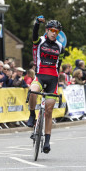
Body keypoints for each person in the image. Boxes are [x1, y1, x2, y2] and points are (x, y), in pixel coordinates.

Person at [27, 15, 64, 153]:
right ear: (47, 30)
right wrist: (36, 23)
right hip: (40, 76)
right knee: (33, 91)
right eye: (52, 30)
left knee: (48, 111)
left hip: (53, 79)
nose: (54, 33)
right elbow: (34, 35)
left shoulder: (60, 47)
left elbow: (59, 64)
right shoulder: (40, 41)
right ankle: (32, 115)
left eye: (57, 32)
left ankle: (47, 142)